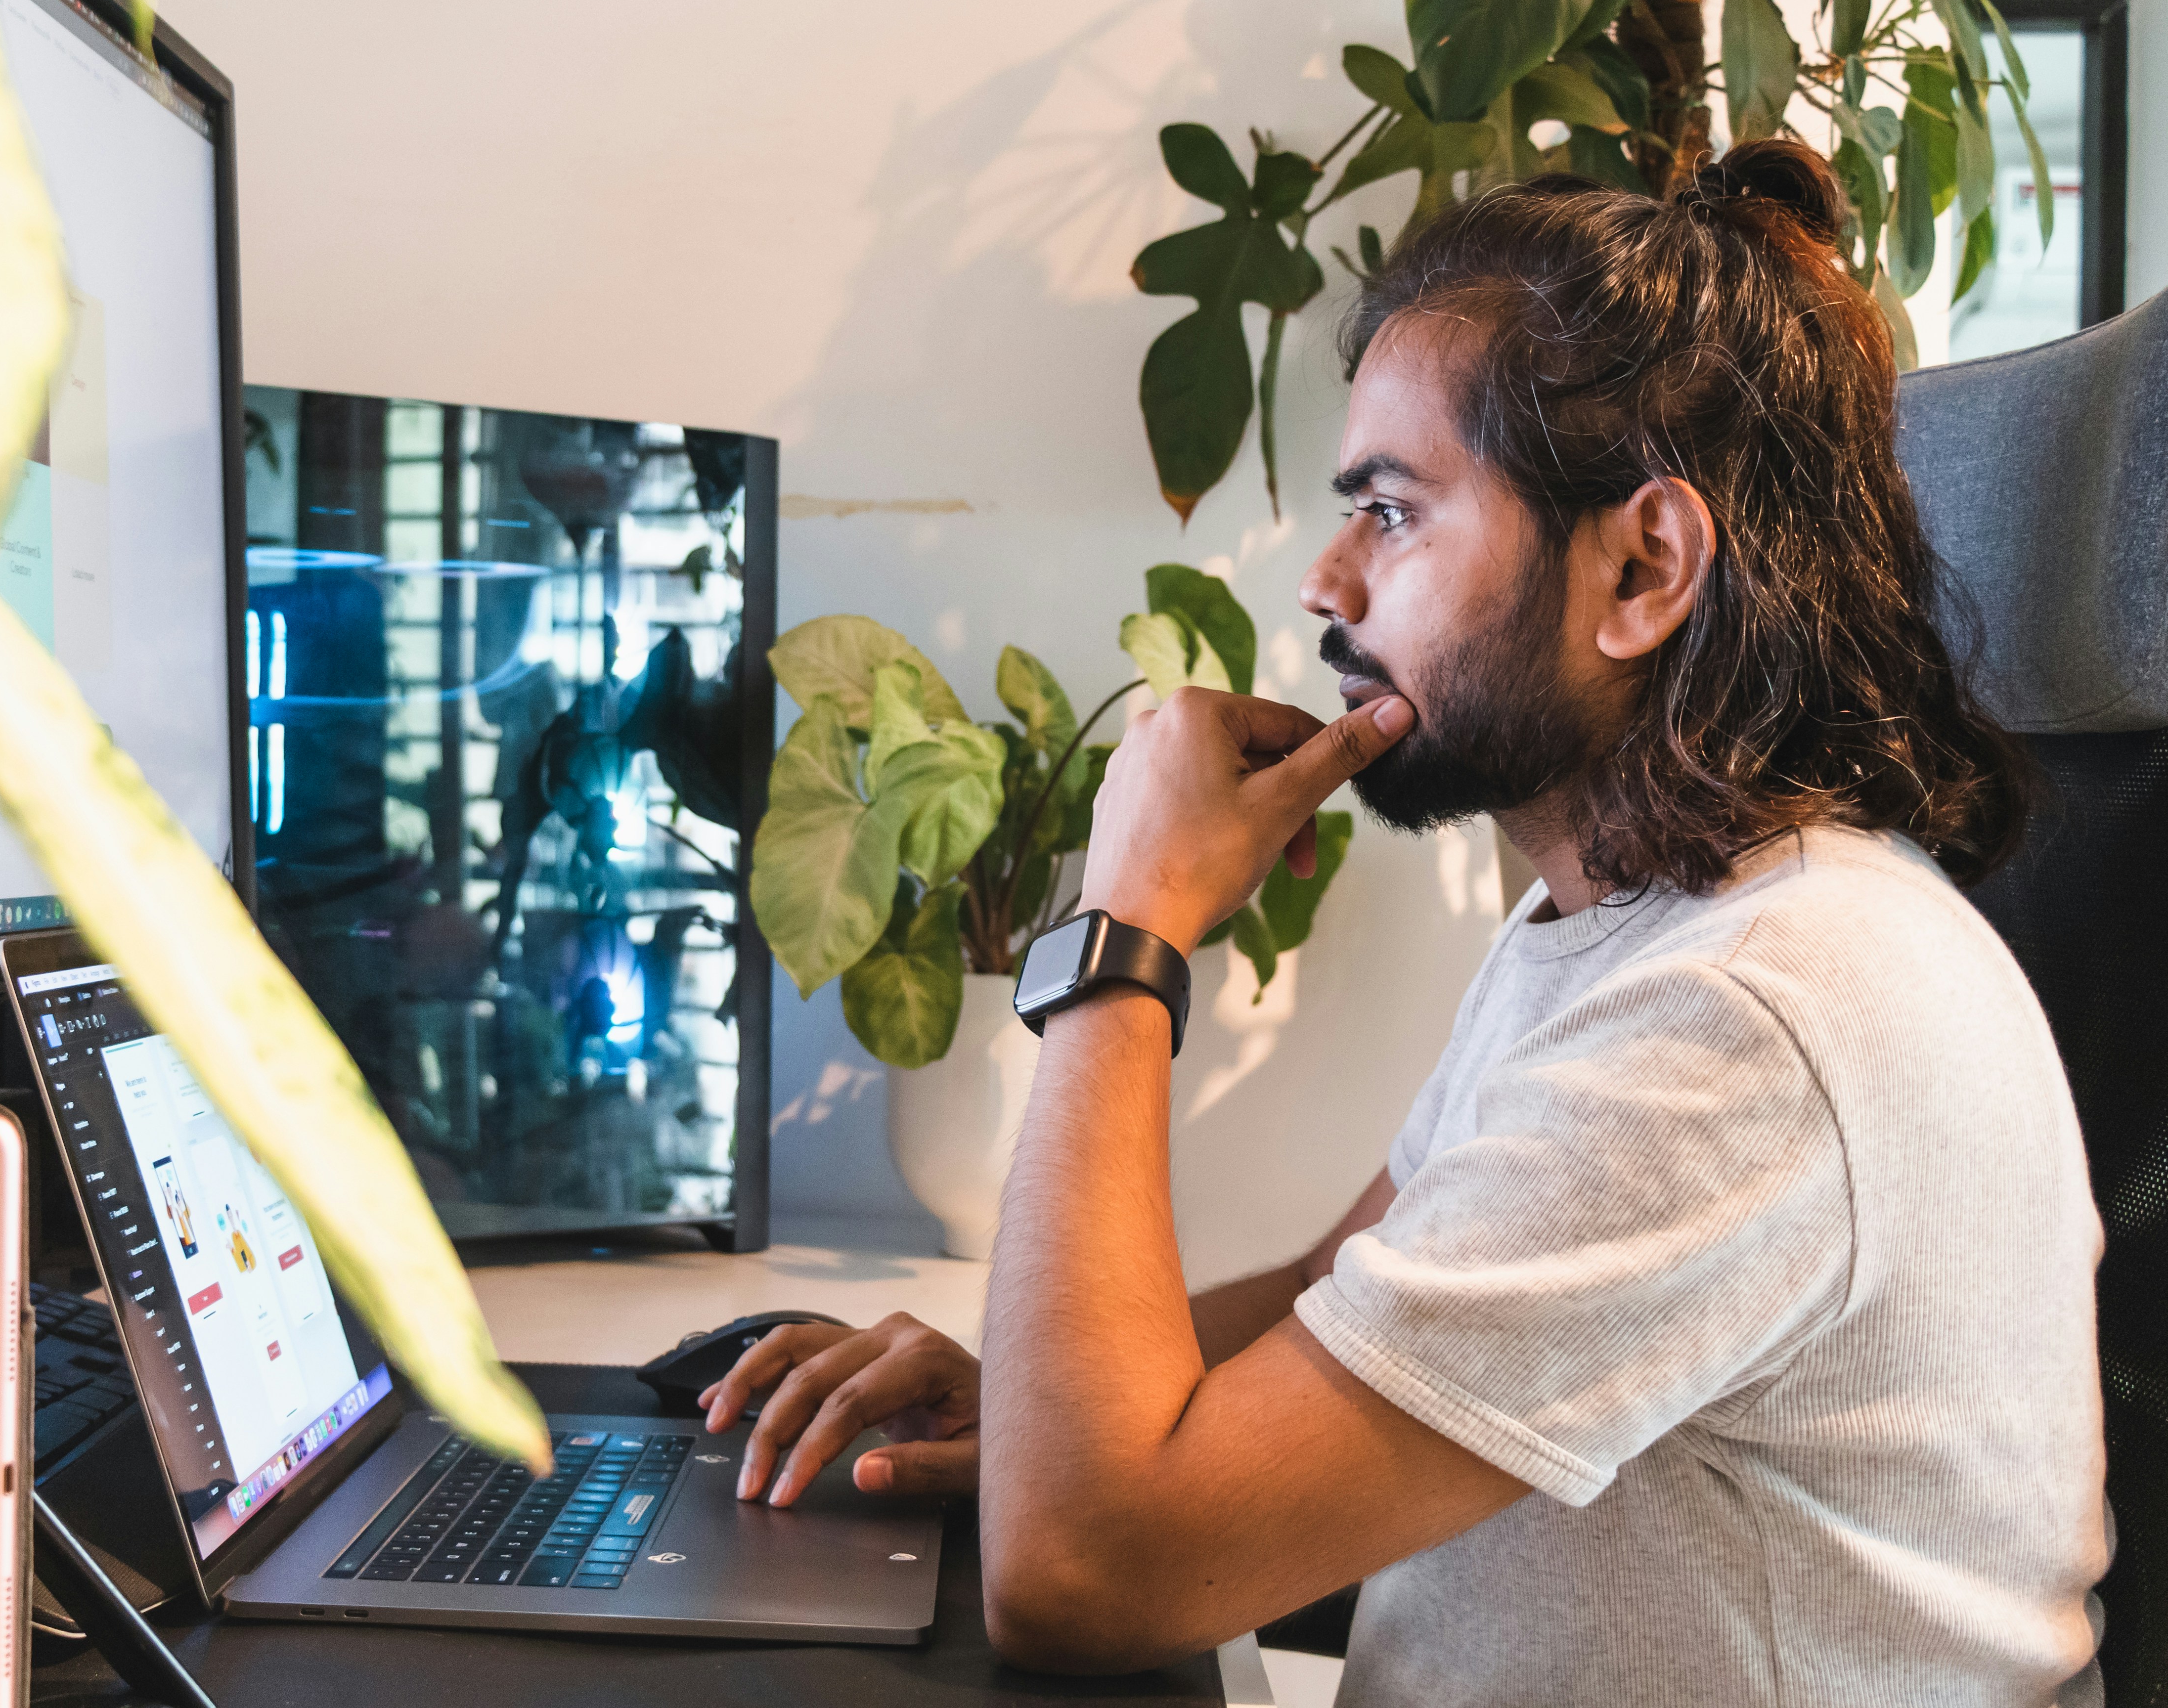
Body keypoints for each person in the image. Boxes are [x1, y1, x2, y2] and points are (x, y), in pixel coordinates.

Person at [707, 139, 2109, 1704]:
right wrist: (1029, 1402)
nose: (1325, 584)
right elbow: (1348, 1284)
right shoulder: (1623, 925)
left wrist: (1126, 933)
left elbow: (1085, 1572)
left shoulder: (1752, 1015)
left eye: (1390, 510)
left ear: (1642, 566)